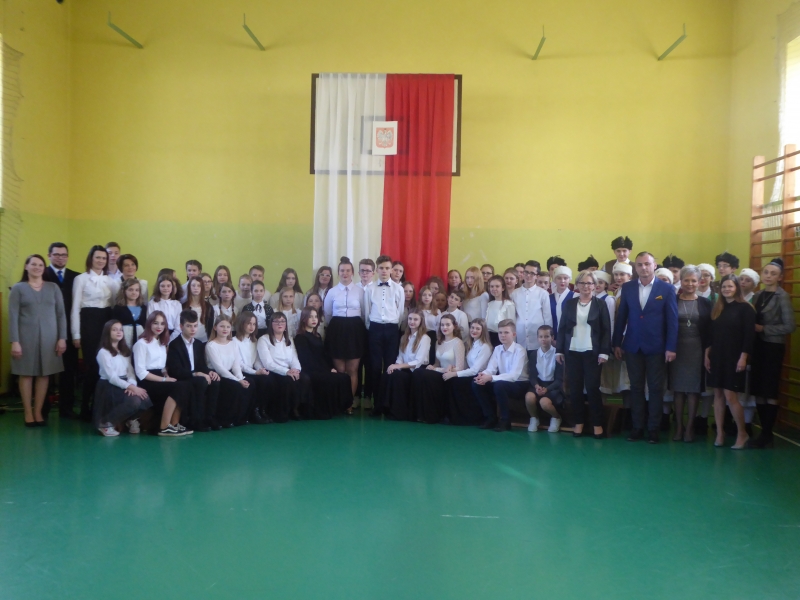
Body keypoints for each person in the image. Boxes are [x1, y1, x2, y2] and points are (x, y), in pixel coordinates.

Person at [612, 251, 678, 444]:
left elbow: (672, 321)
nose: (643, 267)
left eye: (647, 264)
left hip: (657, 347)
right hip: (632, 346)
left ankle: (654, 429)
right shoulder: (628, 287)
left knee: (656, 389)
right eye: (640, 264)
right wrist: (617, 343)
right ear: (636, 267)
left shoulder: (667, 289)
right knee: (636, 388)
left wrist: (671, 347)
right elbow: (621, 317)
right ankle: (637, 427)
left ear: (654, 265)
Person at [9, 254, 67, 427]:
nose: (37, 267)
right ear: (26, 267)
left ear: (44, 268)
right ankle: (28, 412)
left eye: (40, 265)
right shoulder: (18, 288)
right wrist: (14, 341)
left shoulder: (53, 287)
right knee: (26, 374)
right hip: (25, 338)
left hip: (50, 339)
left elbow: (61, 314)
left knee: (44, 374)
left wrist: (62, 338)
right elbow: (13, 316)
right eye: (33, 264)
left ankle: (38, 411)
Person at [556, 270, 611, 438]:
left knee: (593, 388)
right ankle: (578, 422)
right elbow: (562, 328)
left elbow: (606, 330)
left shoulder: (601, 304)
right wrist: (559, 350)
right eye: (582, 283)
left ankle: (597, 424)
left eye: (589, 283)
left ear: (594, 286)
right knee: (575, 389)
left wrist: (604, 352)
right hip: (572, 351)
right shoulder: (570, 304)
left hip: (593, 352)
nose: (586, 286)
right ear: (577, 285)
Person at [748, 259, 797, 449]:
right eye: (766, 272)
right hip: (758, 346)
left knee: (769, 389)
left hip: (773, 347)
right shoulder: (758, 295)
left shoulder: (782, 296)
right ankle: (763, 431)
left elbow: (790, 326)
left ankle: (768, 433)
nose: (768, 276)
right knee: (758, 390)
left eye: (773, 274)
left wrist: (764, 329)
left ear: (780, 277)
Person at [705, 274, 756, 449]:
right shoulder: (718, 308)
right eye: (724, 286)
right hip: (717, 356)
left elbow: (749, 336)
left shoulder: (746, 308)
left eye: (730, 286)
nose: (727, 289)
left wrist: (744, 357)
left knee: (730, 396)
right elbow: (712, 334)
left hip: (734, 357)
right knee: (717, 395)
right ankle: (720, 432)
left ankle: (742, 433)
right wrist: (707, 354)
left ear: (736, 288)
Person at [71, 245, 118, 420]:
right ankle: (85, 407)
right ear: (91, 258)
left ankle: (100, 407)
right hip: (88, 323)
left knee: (104, 366)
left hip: (105, 323)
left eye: (104, 258)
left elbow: (114, 306)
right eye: (97, 257)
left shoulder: (111, 281)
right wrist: (76, 334)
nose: (100, 261)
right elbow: (75, 308)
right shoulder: (80, 279)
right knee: (92, 366)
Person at [668, 265, 712, 442]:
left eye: (694, 280)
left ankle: (690, 428)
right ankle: (679, 427)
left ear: (699, 282)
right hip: (676, 349)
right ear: (681, 281)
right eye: (686, 280)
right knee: (678, 390)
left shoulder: (705, 303)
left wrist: (708, 352)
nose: (690, 284)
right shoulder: (673, 300)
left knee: (693, 390)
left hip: (697, 349)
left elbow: (710, 330)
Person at [133, 311, 191, 436]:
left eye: (162, 324)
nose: (159, 326)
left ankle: (174, 424)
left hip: (160, 377)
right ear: (149, 324)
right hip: (147, 381)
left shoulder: (162, 344)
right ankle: (164, 427)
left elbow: (162, 367)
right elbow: (141, 372)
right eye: (156, 323)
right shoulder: (141, 344)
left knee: (184, 385)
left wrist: (166, 376)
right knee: (178, 387)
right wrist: (164, 380)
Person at [93, 320, 152, 437]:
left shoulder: (124, 351)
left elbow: (130, 372)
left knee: (144, 398)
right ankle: (105, 423)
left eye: (120, 329)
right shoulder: (103, 352)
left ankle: (130, 419)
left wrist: (132, 385)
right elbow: (112, 377)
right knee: (134, 401)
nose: (119, 332)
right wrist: (130, 387)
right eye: (114, 330)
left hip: (125, 383)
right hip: (109, 386)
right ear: (107, 332)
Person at [166, 310, 221, 433]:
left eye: (195, 326)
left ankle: (209, 418)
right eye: (189, 326)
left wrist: (209, 372)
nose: (193, 329)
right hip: (183, 377)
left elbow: (201, 365)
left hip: (197, 375)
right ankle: (196, 420)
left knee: (215, 381)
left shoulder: (198, 344)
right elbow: (175, 370)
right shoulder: (174, 345)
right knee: (201, 382)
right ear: (181, 327)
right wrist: (195, 374)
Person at [323, 257, 367, 411]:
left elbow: (364, 313)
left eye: (348, 270)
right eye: (342, 270)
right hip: (337, 331)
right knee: (340, 370)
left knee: (352, 370)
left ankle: (349, 403)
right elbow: (327, 313)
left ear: (353, 273)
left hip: (355, 331)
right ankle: (339, 402)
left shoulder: (360, 292)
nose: (345, 273)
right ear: (338, 273)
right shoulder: (332, 292)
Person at [42, 242, 80, 419]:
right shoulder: (41, 274)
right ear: (49, 255)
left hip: (70, 331)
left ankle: (66, 409)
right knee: (45, 372)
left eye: (63, 255)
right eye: (56, 254)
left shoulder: (76, 277)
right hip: (46, 330)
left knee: (68, 371)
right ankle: (43, 409)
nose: (60, 258)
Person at [364, 255, 404, 417]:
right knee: (374, 367)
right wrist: (372, 328)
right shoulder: (369, 289)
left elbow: (400, 312)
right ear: (376, 270)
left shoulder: (398, 289)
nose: (384, 271)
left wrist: (393, 327)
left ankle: (388, 404)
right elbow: (366, 312)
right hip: (374, 329)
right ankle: (376, 404)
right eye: (381, 268)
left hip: (392, 329)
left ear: (392, 270)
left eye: (387, 268)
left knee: (389, 366)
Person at [294, 307, 352, 419]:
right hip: (310, 370)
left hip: (321, 369)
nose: (314, 319)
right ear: (304, 319)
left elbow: (323, 356)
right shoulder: (300, 337)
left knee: (344, 378)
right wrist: (326, 370)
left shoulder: (317, 336)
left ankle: (338, 408)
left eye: (315, 317)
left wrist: (331, 368)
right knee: (328, 380)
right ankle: (323, 411)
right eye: (310, 317)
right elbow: (307, 359)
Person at [472, 320, 529, 432]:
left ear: (514, 334)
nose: (502, 335)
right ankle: (490, 418)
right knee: (477, 384)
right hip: (502, 381)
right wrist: (483, 375)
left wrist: (491, 377)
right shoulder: (497, 349)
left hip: (520, 384)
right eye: (500, 332)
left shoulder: (520, 350)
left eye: (506, 332)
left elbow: (514, 376)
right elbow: (491, 369)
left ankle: (505, 420)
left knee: (499, 385)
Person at [257, 312, 312, 420]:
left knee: (305, 378)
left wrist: (296, 370)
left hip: (289, 370)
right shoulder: (263, 339)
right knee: (287, 381)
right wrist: (286, 372)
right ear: (271, 324)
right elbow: (268, 363)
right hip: (273, 371)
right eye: (276, 321)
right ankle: (282, 413)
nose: (280, 324)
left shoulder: (289, 339)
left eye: (282, 321)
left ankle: (297, 409)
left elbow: (294, 358)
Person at [413, 314, 466, 424]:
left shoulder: (458, 342)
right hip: (439, 373)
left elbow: (460, 367)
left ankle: (431, 415)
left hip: (450, 375)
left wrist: (436, 370)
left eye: (448, 325)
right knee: (418, 372)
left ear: (454, 326)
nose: (444, 327)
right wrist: (433, 367)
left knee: (424, 375)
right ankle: (420, 414)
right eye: (442, 325)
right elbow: (437, 363)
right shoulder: (438, 342)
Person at [381, 310, 430, 421]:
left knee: (396, 376)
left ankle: (398, 413)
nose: (412, 321)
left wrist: (399, 367)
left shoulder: (425, 338)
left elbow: (418, 361)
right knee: (388, 374)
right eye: (410, 319)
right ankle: (385, 408)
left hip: (417, 371)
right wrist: (396, 366)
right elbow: (400, 357)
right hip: (405, 368)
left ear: (421, 321)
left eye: (415, 319)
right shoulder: (404, 337)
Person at [443, 318, 492, 425]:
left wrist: (455, 373)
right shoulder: (472, 344)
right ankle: (454, 416)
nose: (474, 330)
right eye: (472, 328)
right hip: (470, 373)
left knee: (456, 381)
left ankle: (469, 418)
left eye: (477, 328)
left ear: (483, 331)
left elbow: (475, 369)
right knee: (452, 381)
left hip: (479, 375)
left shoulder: (485, 347)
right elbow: (466, 365)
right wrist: (452, 367)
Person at [206, 316, 252, 427]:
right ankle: (225, 419)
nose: (225, 329)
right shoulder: (211, 346)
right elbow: (220, 369)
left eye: (228, 326)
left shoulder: (233, 343)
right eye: (222, 326)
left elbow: (236, 365)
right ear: (215, 327)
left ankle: (240, 418)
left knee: (250, 383)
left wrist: (241, 378)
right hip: (218, 375)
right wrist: (238, 381)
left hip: (230, 373)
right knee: (234, 386)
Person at [231, 312, 272, 424]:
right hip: (240, 371)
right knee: (253, 382)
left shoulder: (254, 341)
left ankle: (261, 409)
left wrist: (260, 370)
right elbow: (239, 363)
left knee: (267, 379)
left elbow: (256, 360)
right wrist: (255, 372)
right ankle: (254, 412)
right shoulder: (234, 341)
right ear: (241, 324)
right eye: (249, 323)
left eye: (254, 324)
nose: (251, 326)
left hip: (252, 370)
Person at [524, 325, 564, 433]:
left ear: (552, 337)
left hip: (553, 386)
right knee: (529, 397)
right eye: (541, 336)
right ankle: (534, 418)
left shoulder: (558, 354)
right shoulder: (534, 354)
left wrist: (547, 389)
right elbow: (532, 376)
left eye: (546, 336)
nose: (543, 339)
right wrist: (536, 386)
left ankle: (556, 417)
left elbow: (559, 379)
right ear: (537, 338)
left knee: (544, 403)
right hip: (538, 384)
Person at [512, 260, 553, 364]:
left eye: (532, 273)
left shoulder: (543, 294)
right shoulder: (514, 294)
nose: (528, 275)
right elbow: (512, 317)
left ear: (537, 276)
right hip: (520, 337)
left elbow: (547, 317)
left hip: (537, 338)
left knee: (536, 366)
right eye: (526, 272)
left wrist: (548, 338)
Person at [111, 278, 147, 349]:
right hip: (124, 337)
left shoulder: (143, 307)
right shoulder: (118, 308)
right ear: (124, 291)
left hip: (140, 336)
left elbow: (145, 324)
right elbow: (114, 325)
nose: (134, 292)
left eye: (137, 290)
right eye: (131, 290)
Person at [182, 276, 215, 342]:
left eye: (198, 286)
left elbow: (211, 326)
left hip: (204, 341)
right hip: (188, 341)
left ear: (202, 288)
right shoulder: (183, 306)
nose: (196, 288)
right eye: (193, 285)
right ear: (189, 287)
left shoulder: (208, 307)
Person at [486, 275, 516, 347]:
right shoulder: (490, 304)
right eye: (492, 286)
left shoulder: (508, 304)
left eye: (497, 286)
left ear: (503, 288)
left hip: (502, 338)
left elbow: (512, 324)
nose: (494, 289)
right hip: (489, 336)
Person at [549, 266, 575, 340]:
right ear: (554, 280)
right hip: (553, 337)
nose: (562, 281)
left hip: (571, 337)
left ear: (569, 279)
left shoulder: (575, 296)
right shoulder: (549, 298)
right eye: (559, 278)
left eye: (565, 278)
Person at [418, 286, 441, 363]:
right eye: (424, 295)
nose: (426, 297)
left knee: (431, 357)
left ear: (432, 297)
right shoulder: (417, 310)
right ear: (420, 296)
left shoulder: (437, 311)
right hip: (420, 335)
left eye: (429, 295)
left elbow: (439, 326)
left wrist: (439, 339)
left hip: (432, 336)